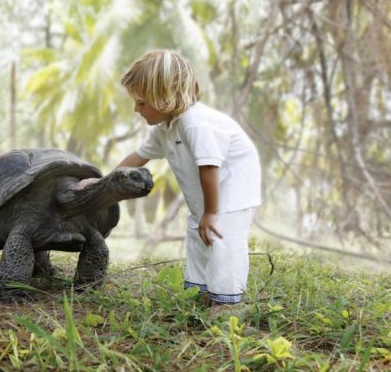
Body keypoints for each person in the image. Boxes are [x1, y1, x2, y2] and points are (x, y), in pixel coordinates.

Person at [81, 49, 261, 307]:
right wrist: (101, 184)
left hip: (232, 191)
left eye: (142, 103)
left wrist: (211, 213)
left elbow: (210, 168)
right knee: (198, 236)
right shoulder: (165, 128)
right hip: (207, 198)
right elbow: (137, 157)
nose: (136, 109)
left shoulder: (195, 122)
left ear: (165, 98)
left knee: (222, 242)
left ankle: (227, 305)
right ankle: (200, 293)